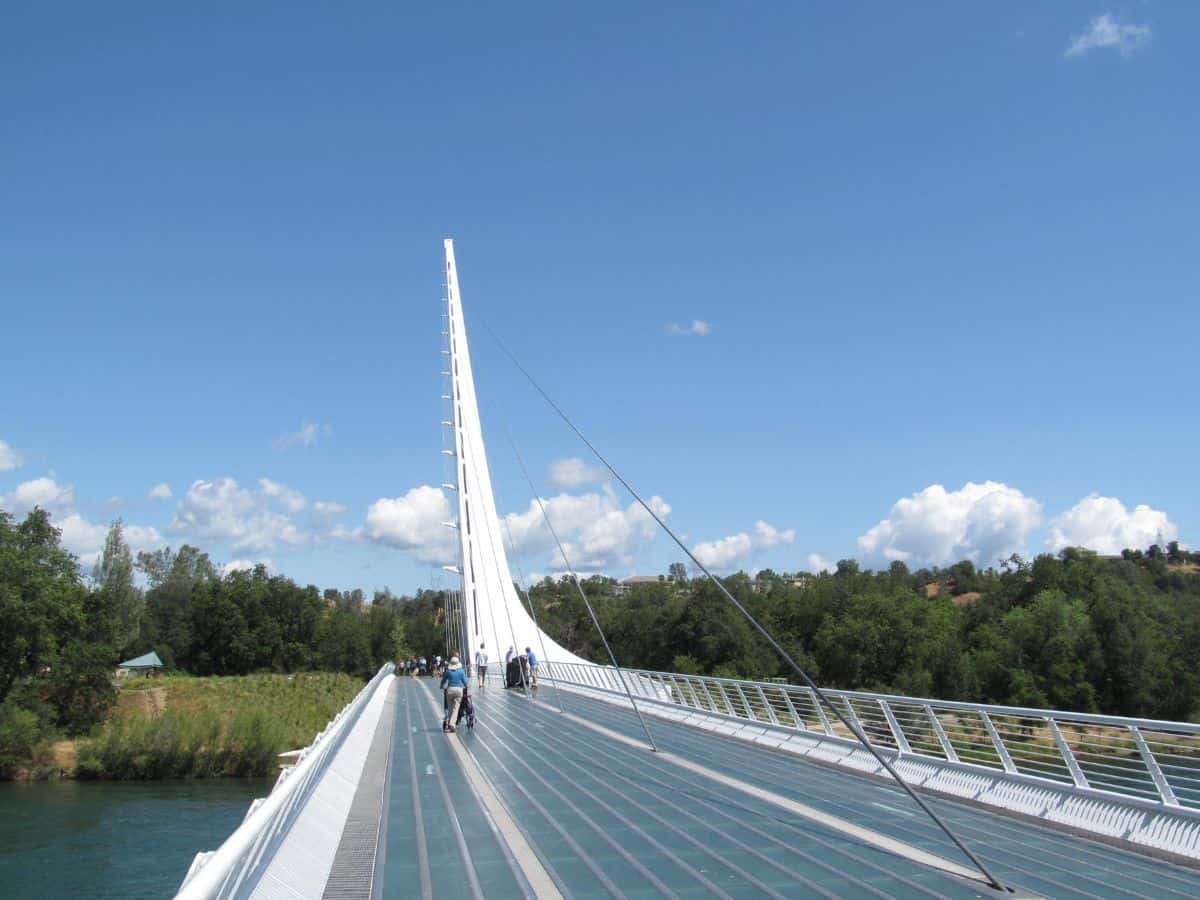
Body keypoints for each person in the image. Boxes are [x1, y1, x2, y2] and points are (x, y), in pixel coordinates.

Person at [440, 655, 469, 733]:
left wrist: (441, 686)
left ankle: (448, 724)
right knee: (456, 708)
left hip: (450, 690)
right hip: (459, 690)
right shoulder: (461, 671)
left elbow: (443, 680)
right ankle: (452, 724)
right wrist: (466, 686)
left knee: (450, 708)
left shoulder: (448, 671)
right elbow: (465, 682)